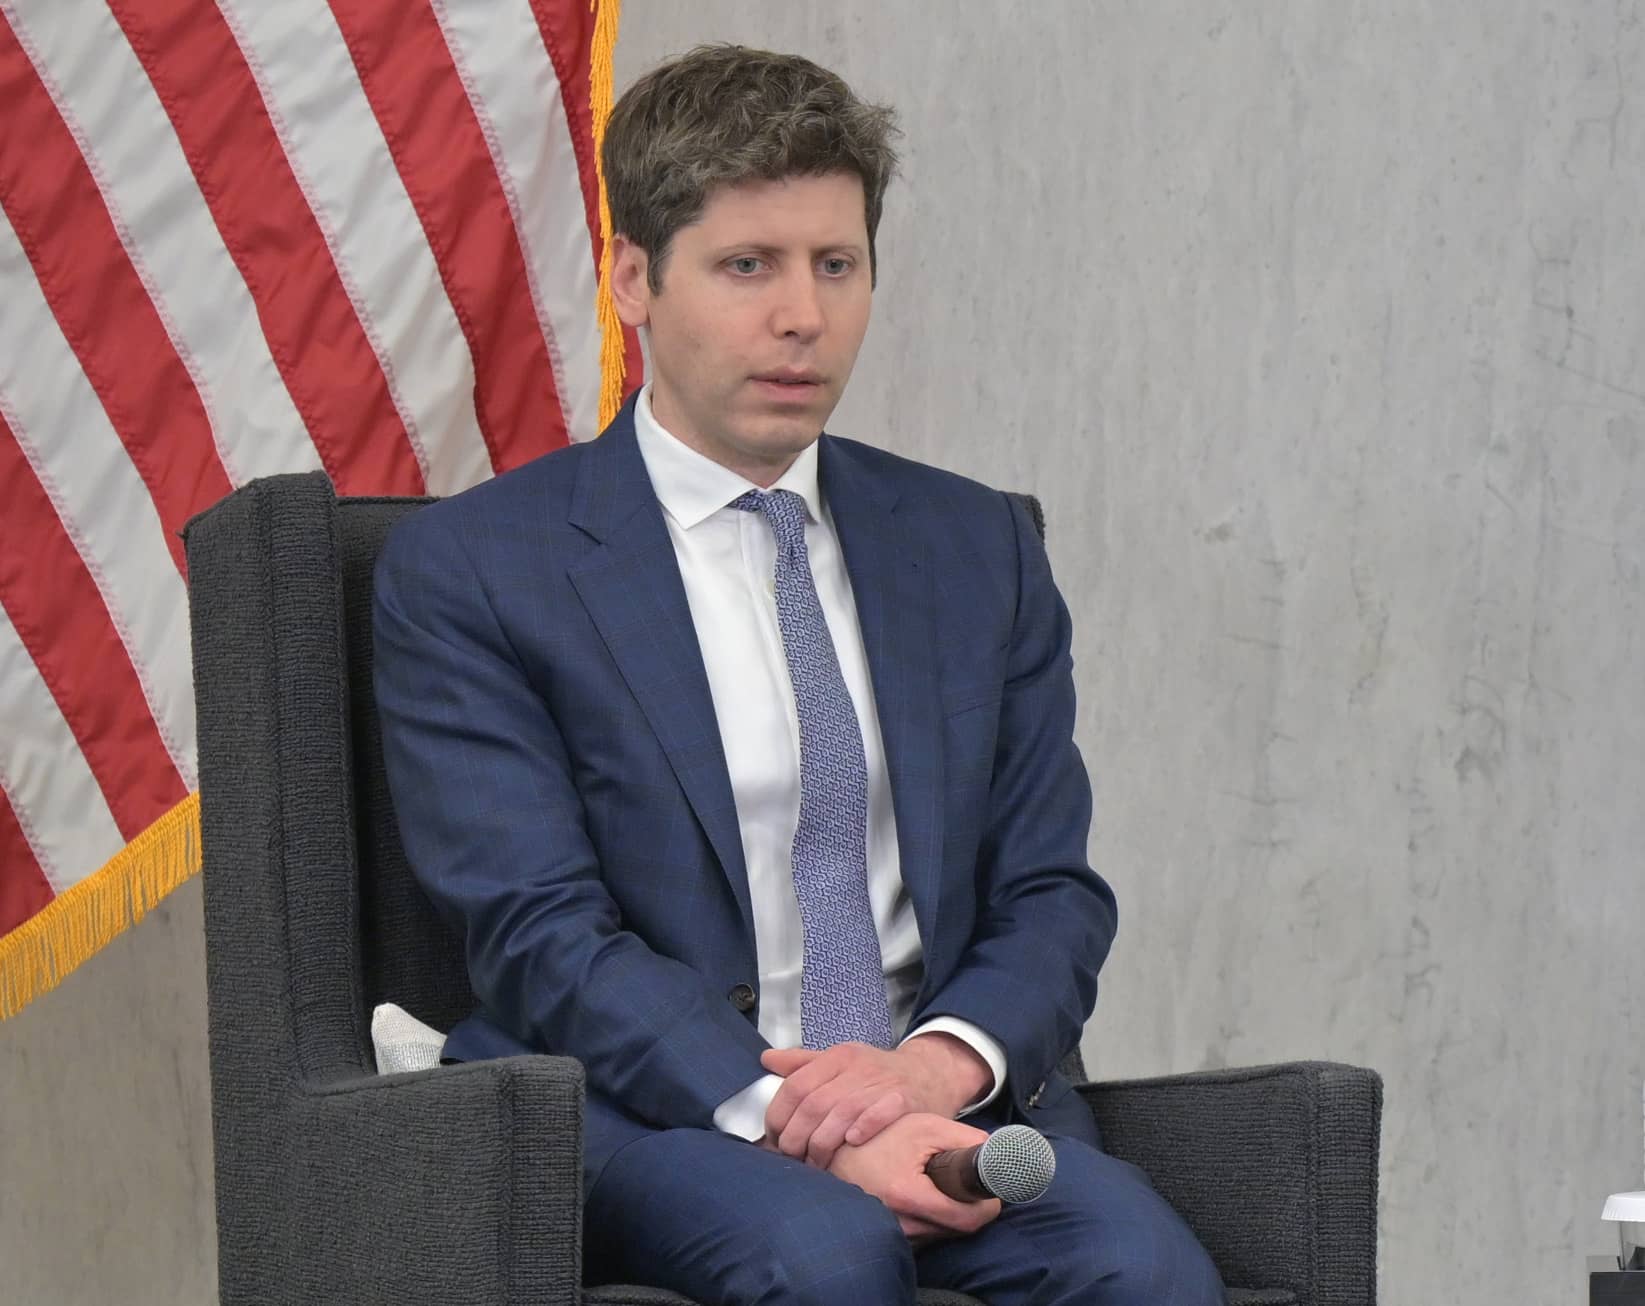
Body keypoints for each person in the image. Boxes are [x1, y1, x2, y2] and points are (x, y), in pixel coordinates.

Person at [373, 42, 1225, 1306]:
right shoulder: (479, 569)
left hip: (938, 1097)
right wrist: (804, 1114)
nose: (803, 317)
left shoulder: (973, 545)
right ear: (632, 280)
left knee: (1143, 1267)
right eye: (747, 266)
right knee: (826, 1256)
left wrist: (929, 1072)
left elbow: (1049, 890)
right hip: (649, 1106)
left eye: (837, 264)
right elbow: (537, 932)